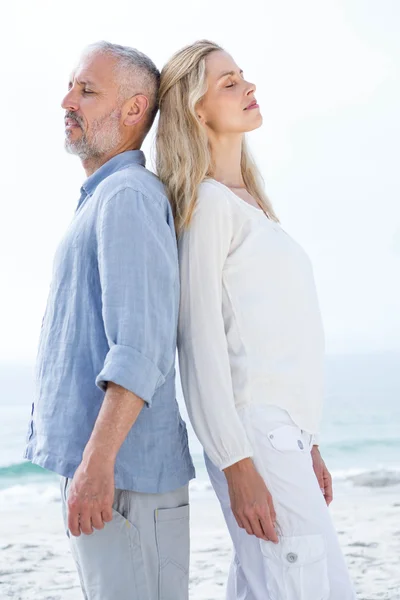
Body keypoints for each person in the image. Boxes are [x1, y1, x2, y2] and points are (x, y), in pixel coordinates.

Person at [156, 40, 356, 600]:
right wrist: (237, 464)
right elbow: (199, 348)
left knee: (273, 583)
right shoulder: (209, 205)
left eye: (243, 77)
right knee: (312, 586)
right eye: (229, 82)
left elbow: (276, 339)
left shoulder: (252, 204)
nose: (249, 88)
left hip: (282, 437)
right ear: (197, 109)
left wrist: (309, 442)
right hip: (254, 439)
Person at [24, 41, 194, 600]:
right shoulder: (103, 197)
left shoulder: (126, 196)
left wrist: (97, 465)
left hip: (123, 480)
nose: (67, 100)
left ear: (133, 110)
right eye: (72, 86)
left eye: (87, 90)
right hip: (110, 476)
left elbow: (140, 347)